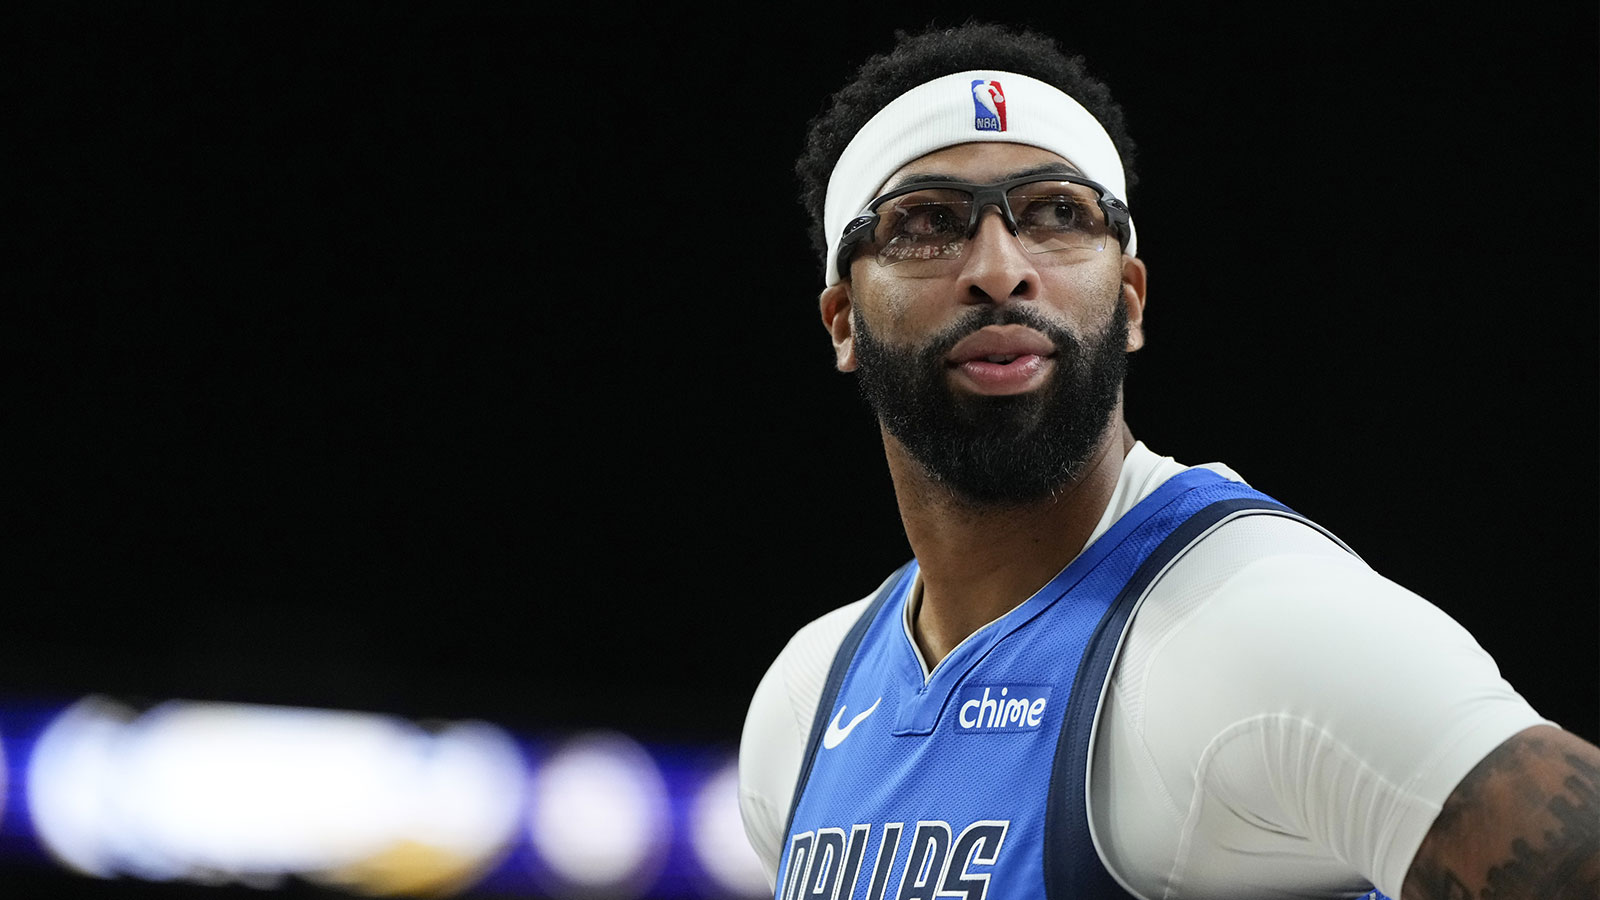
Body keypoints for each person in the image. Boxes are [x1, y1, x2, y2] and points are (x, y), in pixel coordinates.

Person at [737, 22, 1599, 900]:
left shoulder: (1260, 626)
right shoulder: (803, 700)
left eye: (1058, 214)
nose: (999, 270)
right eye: (927, 223)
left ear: (1130, 299)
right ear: (843, 321)